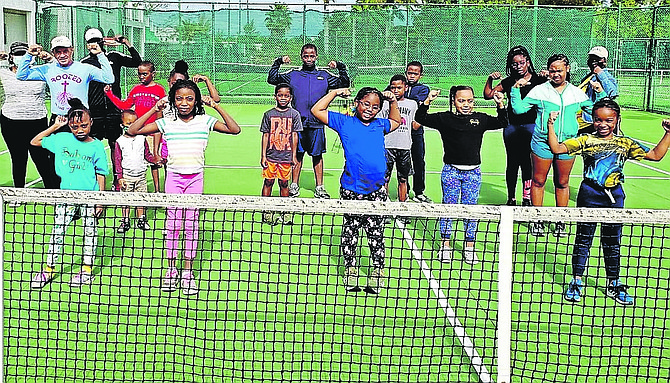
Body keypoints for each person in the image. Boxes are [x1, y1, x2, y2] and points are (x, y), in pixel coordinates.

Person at [546, 99, 670, 306]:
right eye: (597, 120)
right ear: (593, 120)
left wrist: (668, 133)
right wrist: (550, 125)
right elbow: (557, 149)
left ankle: (614, 282)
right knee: (583, 240)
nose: (602, 124)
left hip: (615, 198)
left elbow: (655, 155)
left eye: (608, 120)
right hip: (589, 195)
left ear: (617, 120)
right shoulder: (585, 140)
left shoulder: (625, 144)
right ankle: (576, 279)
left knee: (612, 242)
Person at [128, 79, 241, 296]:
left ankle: (187, 273)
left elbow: (234, 129)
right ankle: (171, 271)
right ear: (172, 101)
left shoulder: (205, 121)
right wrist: (155, 108)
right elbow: (134, 129)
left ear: (196, 100)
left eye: (189, 98)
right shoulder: (166, 123)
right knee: (173, 226)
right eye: (179, 98)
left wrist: (215, 105)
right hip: (174, 178)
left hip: (195, 179)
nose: (184, 103)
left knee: (191, 225)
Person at [311, 87, 401, 294]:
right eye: (366, 104)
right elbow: (317, 110)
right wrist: (334, 93)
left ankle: (378, 271)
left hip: (377, 192)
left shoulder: (380, 125)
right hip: (351, 190)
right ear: (357, 103)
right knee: (350, 232)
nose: (370, 109)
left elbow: (396, 122)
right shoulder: (345, 122)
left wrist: (393, 102)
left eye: (376, 106)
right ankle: (350, 269)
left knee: (375, 233)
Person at [510, 54, 601, 237]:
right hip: (542, 142)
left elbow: (598, 111)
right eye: (552, 71)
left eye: (559, 70)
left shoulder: (576, 93)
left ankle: (561, 220)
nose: (555, 74)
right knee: (538, 181)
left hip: (567, 144)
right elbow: (519, 109)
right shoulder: (539, 91)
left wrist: (600, 93)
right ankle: (537, 219)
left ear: (567, 69)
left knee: (562, 182)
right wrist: (514, 90)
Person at [416, 86, 507, 265]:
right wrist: (428, 100)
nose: (466, 105)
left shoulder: (480, 119)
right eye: (461, 101)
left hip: (473, 173)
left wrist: (500, 104)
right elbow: (421, 118)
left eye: (470, 101)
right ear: (453, 101)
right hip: (451, 171)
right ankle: (445, 246)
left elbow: (502, 122)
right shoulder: (444, 118)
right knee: (448, 209)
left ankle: (469, 247)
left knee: (471, 210)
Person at [29, 98, 109, 289]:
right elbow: (35, 141)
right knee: (58, 232)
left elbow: (101, 173)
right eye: (74, 126)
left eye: (83, 125)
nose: (79, 130)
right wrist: (56, 126)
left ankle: (87, 269)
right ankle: (49, 269)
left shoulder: (96, 146)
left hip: (89, 197)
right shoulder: (61, 139)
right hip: (65, 196)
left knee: (90, 233)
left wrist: (101, 200)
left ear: (91, 123)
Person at [268, 43, 351, 199]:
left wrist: (340, 66)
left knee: (317, 156)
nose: (309, 58)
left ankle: (320, 187)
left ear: (316, 57)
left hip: (317, 123)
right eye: (306, 56)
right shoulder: (292, 75)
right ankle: (294, 185)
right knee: (297, 155)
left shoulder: (324, 75)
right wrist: (278, 61)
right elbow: (272, 78)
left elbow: (344, 83)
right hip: (296, 124)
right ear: (302, 57)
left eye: (312, 56)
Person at [484, 45, 547, 206]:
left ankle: (526, 198)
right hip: (512, 127)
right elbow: (488, 95)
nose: (518, 66)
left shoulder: (539, 80)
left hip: (532, 126)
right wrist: (490, 79)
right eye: (514, 63)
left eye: (522, 62)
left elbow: (558, 87)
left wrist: (549, 77)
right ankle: (511, 198)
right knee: (512, 163)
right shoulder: (508, 81)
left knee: (528, 163)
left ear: (527, 62)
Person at [81, 28, 142, 189]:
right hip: (94, 111)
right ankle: (95, 181)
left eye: (96, 40)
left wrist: (126, 43)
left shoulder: (114, 56)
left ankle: (117, 180)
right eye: (90, 41)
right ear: (87, 44)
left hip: (114, 110)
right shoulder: (84, 62)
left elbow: (137, 61)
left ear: (102, 41)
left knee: (116, 145)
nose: (94, 43)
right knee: (93, 145)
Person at [0, 42, 59, 190]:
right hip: (11, 122)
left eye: (24, 53)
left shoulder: (41, 71)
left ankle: (51, 191)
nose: (20, 57)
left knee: (42, 159)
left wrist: (49, 58)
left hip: (37, 121)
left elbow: (59, 69)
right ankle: (19, 192)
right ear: (11, 57)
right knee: (18, 159)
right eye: (17, 54)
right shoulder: (4, 72)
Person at [16, 36, 114, 122]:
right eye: (58, 52)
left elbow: (109, 79)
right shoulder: (47, 69)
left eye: (65, 51)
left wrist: (100, 54)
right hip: (58, 118)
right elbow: (21, 75)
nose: (62, 55)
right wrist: (28, 55)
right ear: (53, 53)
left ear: (72, 50)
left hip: (80, 117)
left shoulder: (85, 68)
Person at [105, 60, 166, 192]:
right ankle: (131, 184)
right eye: (139, 74)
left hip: (152, 133)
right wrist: (109, 94)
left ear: (153, 74)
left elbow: (161, 114)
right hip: (137, 133)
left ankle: (157, 191)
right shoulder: (136, 89)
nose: (141, 76)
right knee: (134, 161)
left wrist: (158, 133)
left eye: (145, 74)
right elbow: (124, 105)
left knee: (154, 162)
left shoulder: (159, 90)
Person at [260, 83, 302, 225]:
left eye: (286, 96)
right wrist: (263, 156)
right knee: (268, 182)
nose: (283, 98)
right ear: (275, 96)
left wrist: (294, 156)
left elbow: (295, 136)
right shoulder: (268, 114)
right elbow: (265, 136)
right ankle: (266, 210)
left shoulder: (294, 114)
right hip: (271, 157)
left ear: (290, 97)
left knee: (284, 184)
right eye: (280, 95)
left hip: (286, 157)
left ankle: (285, 210)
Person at [379, 74, 420, 205]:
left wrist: (424, 112)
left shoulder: (412, 104)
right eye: (393, 88)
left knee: (403, 179)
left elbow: (415, 125)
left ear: (406, 88)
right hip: (387, 146)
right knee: (384, 178)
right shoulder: (384, 104)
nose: (396, 90)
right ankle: (383, 207)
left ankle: (402, 207)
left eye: (399, 87)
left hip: (405, 147)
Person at [113, 110, 157, 233]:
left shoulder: (142, 139)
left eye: (134, 123)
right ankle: (125, 220)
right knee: (126, 200)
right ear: (122, 125)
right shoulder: (119, 141)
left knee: (140, 199)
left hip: (141, 176)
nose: (132, 125)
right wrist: (120, 178)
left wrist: (155, 160)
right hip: (127, 177)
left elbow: (147, 155)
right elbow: (118, 161)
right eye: (128, 123)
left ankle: (141, 219)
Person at [403, 61, 432, 203]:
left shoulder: (423, 89)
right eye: (409, 72)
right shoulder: (399, 85)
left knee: (418, 161)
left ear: (421, 75)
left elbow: (418, 105)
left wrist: (417, 122)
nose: (412, 76)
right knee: (403, 163)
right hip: (401, 132)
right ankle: (404, 192)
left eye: (415, 73)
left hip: (416, 131)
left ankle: (419, 192)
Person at [577, 46, 619, 133]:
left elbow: (612, 93)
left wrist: (600, 73)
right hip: (584, 117)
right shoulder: (588, 77)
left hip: (594, 121)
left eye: (597, 58)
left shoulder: (607, 77)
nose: (593, 61)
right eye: (591, 58)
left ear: (604, 60)